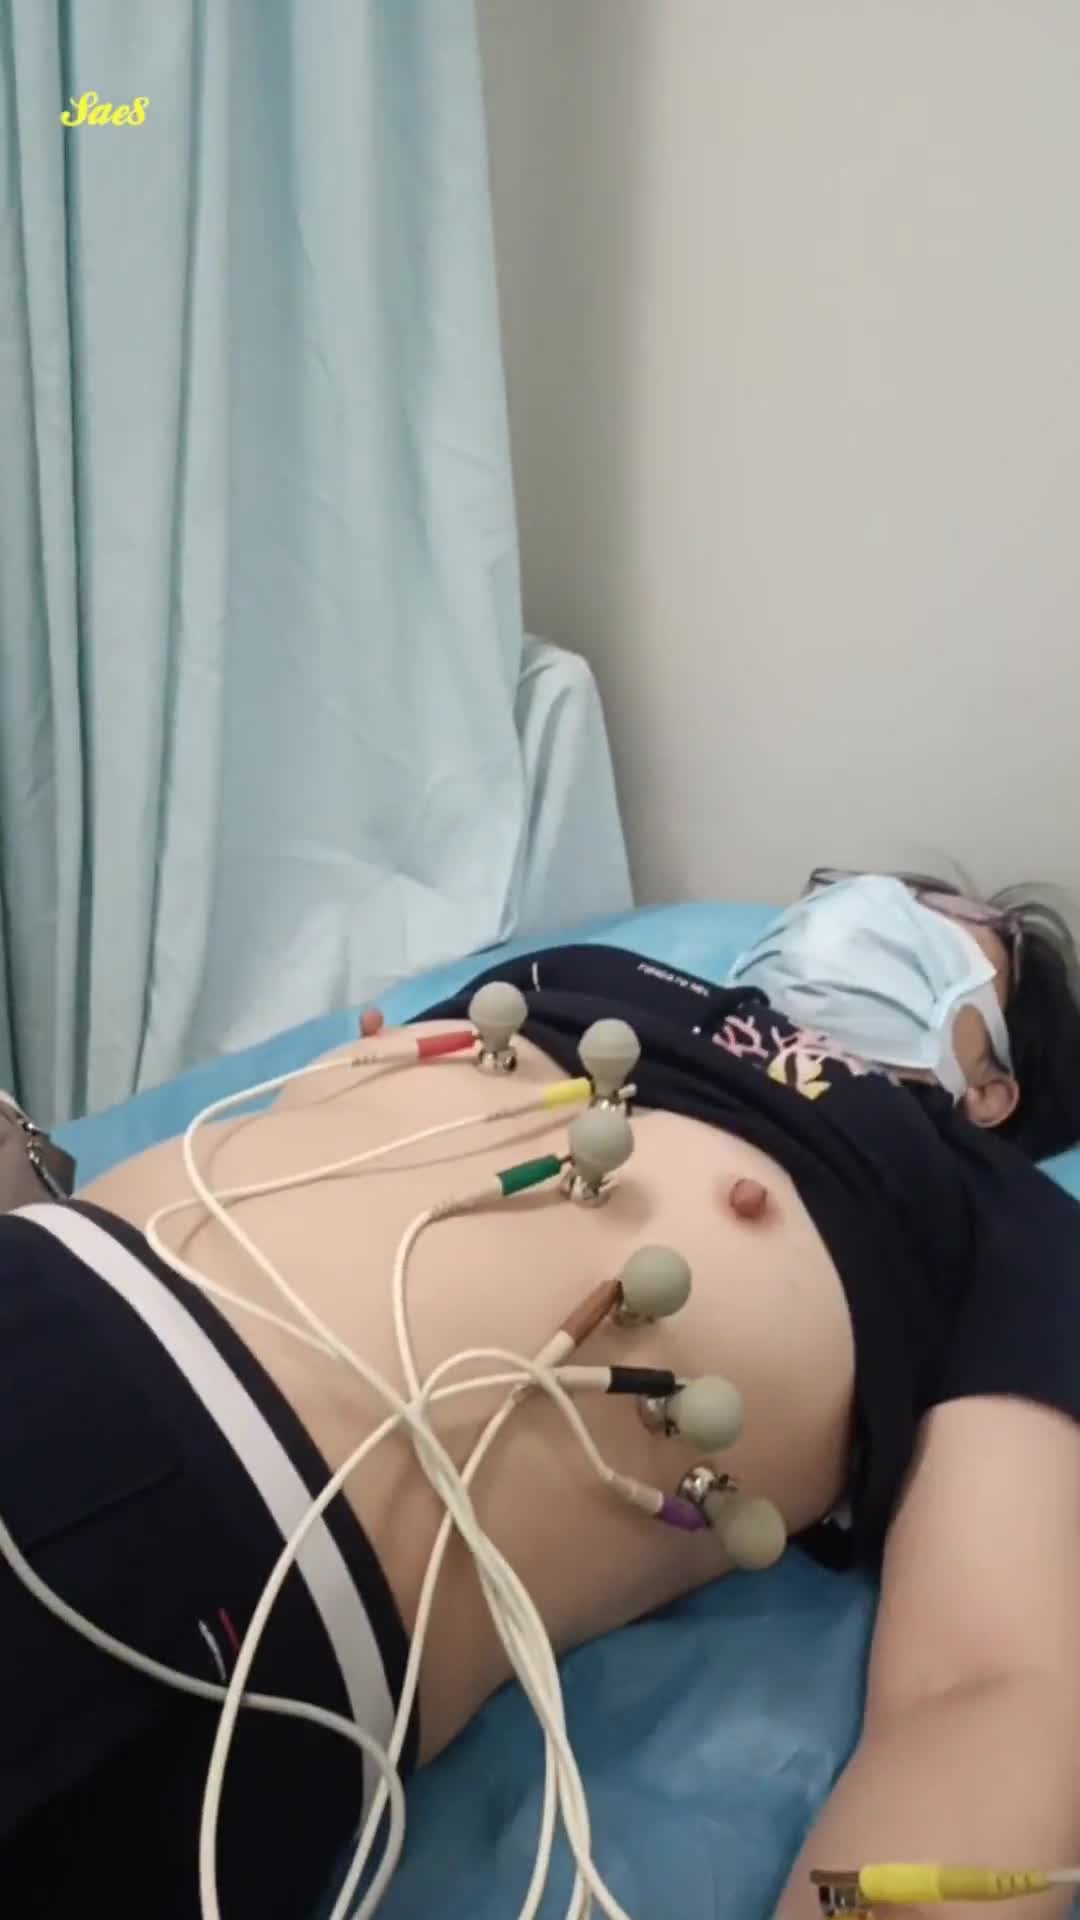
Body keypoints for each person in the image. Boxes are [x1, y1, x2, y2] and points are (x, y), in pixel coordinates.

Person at [4, 868, 1080, 1919]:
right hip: (43, 1274)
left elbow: (990, 1690)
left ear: (995, 1091)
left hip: (238, 1575)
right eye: (872, 886)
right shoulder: (586, 974)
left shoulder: (998, 1216)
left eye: (952, 916)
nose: (882, 902)